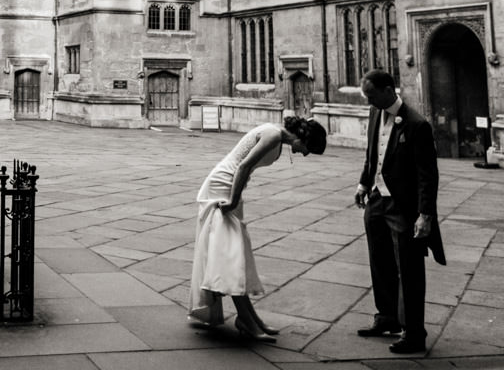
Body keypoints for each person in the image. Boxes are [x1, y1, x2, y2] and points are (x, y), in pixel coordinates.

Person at [190, 116, 327, 341]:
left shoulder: (277, 136)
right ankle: (247, 320)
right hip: (223, 186)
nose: (304, 154)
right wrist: (233, 201)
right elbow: (243, 165)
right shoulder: (273, 135)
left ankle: (252, 319)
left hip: (231, 185)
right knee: (231, 256)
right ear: (303, 138)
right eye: (307, 149)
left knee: (234, 255)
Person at [354, 69, 446, 355]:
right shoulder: (374, 114)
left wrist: (425, 214)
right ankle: (387, 317)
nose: (368, 101)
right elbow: (373, 153)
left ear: (388, 90)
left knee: (408, 269)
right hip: (376, 200)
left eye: (370, 95)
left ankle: (414, 333)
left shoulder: (417, 125)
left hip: (402, 208)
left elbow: (427, 175)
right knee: (379, 261)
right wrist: (363, 183)